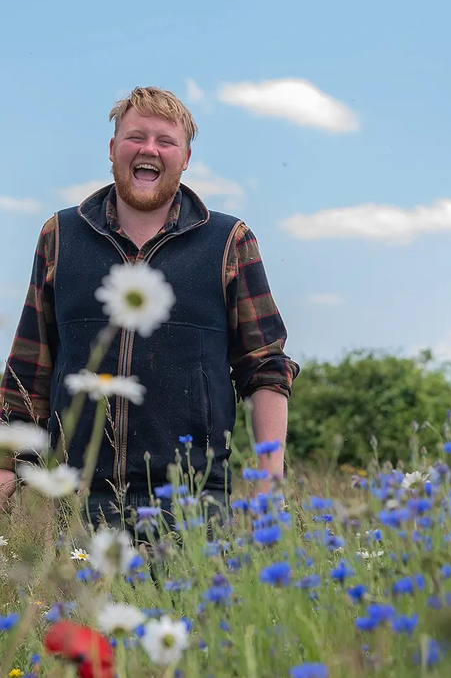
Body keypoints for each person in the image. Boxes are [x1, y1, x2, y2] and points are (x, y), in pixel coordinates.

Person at [0, 86, 299, 524]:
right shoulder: (59, 236)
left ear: (186, 158)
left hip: (194, 503)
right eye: (136, 137)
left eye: (166, 141)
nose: (149, 149)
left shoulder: (229, 243)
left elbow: (265, 367)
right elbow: (29, 368)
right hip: (69, 499)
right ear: (112, 148)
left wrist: (270, 478)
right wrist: (7, 469)